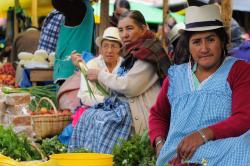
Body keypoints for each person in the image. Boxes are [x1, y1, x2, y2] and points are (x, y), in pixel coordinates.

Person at [149, 5, 250, 166]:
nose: (204, 49)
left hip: (226, 153)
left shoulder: (238, 71)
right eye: (196, 42)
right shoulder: (175, 77)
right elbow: (158, 115)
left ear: (222, 41)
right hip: (180, 157)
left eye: (211, 39)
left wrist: (203, 135)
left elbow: (244, 117)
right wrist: (160, 144)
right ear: (188, 45)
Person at [68, 10, 171, 153]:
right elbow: (89, 95)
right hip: (127, 107)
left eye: (130, 29)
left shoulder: (148, 52)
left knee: (103, 122)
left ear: (143, 29)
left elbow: (129, 86)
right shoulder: (133, 52)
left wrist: (100, 76)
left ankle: (103, 162)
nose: (125, 35)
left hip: (144, 114)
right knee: (88, 116)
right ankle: (87, 160)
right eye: (121, 30)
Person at [71, 27, 123, 107]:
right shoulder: (92, 65)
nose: (109, 50)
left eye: (114, 46)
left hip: (121, 108)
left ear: (120, 49)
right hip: (96, 108)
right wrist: (109, 101)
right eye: (105, 46)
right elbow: (85, 97)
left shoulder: (125, 65)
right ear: (100, 49)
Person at [52, 0, 96, 84]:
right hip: (77, 70)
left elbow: (57, 2)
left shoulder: (79, 7)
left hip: (69, 73)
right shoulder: (85, 7)